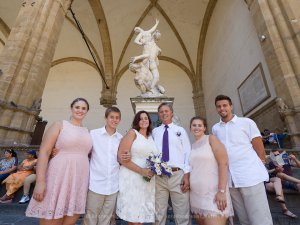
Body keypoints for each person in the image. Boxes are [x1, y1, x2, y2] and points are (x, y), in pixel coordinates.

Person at [26, 98, 93, 225]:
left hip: (79, 179)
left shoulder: (87, 131)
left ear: (87, 111)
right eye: (77, 107)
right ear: (71, 108)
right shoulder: (60, 125)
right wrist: (40, 182)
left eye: (83, 108)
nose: (80, 110)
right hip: (59, 175)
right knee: (51, 218)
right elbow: (44, 152)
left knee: (71, 217)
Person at [212, 95, 273, 225]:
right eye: (219, 106)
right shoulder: (215, 129)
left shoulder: (247, 122)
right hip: (231, 181)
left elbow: (258, 145)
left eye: (225, 105)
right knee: (244, 219)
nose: (222, 108)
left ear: (231, 106)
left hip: (250, 177)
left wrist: (260, 165)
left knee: (260, 218)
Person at [83, 106, 127, 225]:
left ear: (120, 120)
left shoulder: (121, 138)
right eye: (112, 117)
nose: (114, 120)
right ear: (106, 118)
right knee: (90, 218)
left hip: (113, 185)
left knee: (106, 219)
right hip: (96, 183)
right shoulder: (93, 134)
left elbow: (121, 158)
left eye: (117, 118)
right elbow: (83, 151)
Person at [189, 116, 233, 225]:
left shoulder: (211, 139)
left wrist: (221, 191)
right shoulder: (191, 146)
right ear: (190, 128)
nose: (196, 128)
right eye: (194, 125)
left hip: (213, 194)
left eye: (200, 125)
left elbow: (223, 163)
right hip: (196, 195)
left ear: (204, 128)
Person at [116, 110, 158, 224]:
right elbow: (122, 158)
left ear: (149, 120)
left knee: (141, 215)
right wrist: (141, 171)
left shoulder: (151, 137)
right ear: (137, 121)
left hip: (147, 179)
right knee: (134, 215)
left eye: (146, 118)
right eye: (141, 118)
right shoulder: (132, 133)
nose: (144, 120)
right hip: (132, 176)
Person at [152, 102, 191, 225]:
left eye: (166, 111)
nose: (164, 113)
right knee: (158, 214)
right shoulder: (155, 132)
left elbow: (187, 153)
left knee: (182, 214)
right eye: (161, 112)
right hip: (159, 177)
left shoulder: (180, 130)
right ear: (159, 114)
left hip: (177, 175)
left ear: (171, 113)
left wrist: (186, 175)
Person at [131, 19, 164, 96]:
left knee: (156, 77)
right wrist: (141, 33)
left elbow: (152, 30)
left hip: (152, 61)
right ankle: (150, 89)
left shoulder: (149, 36)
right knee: (150, 77)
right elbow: (136, 41)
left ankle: (151, 88)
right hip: (147, 61)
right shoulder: (146, 42)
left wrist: (156, 24)